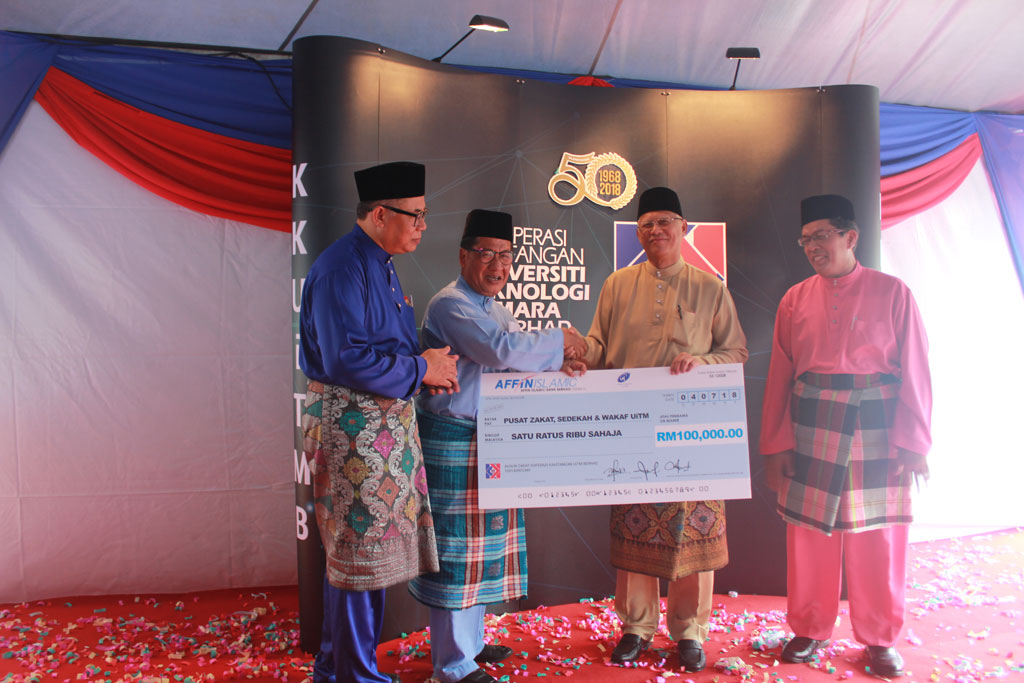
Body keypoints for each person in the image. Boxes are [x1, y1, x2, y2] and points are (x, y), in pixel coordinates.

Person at [409, 209, 587, 683]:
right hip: (452, 437)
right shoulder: (450, 305)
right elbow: (500, 350)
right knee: (455, 553)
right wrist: (562, 339)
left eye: (505, 256)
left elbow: (510, 362)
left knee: (480, 550)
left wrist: (559, 365)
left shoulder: (497, 309)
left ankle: (471, 645)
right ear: (463, 255)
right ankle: (451, 665)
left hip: (488, 439)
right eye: (486, 254)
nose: (497, 265)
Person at [299, 161, 460, 683]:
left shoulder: (382, 263)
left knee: (361, 555)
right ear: (379, 214)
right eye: (415, 215)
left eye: (425, 215)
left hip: (382, 428)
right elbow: (346, 359)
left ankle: (336, 667)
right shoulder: (342, 268)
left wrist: (428, 368)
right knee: (358, 555)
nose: (423, 226)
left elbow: (385, 348)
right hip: (352, 427)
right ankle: (356, 676)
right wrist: (421, 369)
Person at [759, 194, 932, 679]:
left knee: (879, 536)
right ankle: (809, 629)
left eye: (821, 236)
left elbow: (916, 368)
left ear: (850, 237)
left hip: (877, 422)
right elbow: (779, 376)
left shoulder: (893, 292)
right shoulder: (794, 299)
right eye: (805, 239)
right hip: (812, 418)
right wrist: (775, 445)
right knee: (809, 535)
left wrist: (915, 441)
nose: (812, 246)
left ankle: (880, 637)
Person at [580, 187, 748, 672]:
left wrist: (701, 362)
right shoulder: (617, 284)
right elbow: (598, 346)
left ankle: (690, 630)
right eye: (648, 224)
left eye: (666, 222)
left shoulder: (710, 287)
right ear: (638, 233)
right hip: (631, 427)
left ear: (684, 228)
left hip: (692, 430)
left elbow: (736, 351)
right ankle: (636, 626)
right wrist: (576, 352)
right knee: (635, 526)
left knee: (691, 531)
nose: (657, 231)